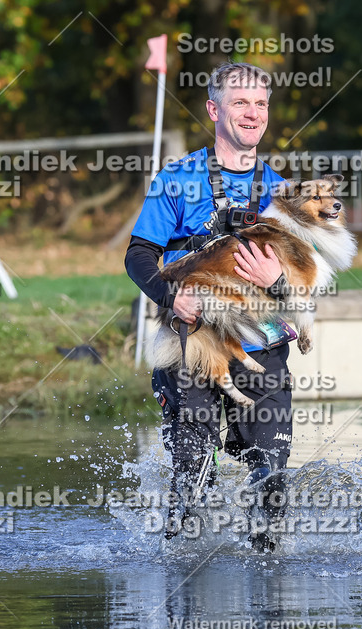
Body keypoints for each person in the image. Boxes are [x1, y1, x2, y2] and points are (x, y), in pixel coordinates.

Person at [124, 62, 293, 551]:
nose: (253, 113)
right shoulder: (177, 178)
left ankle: (268, 571)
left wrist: (277, 282)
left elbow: (301, 288)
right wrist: (171, 297)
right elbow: (138, 256)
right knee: (194, 472)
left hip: (260, 345)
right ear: (214, 110)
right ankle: (179, 564)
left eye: (260, 104)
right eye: (240, 103)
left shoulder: (283, 192)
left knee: (272, 472)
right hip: (192, 344)